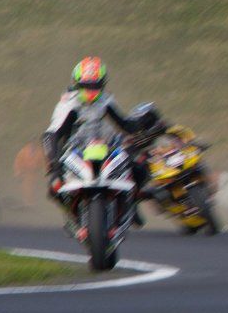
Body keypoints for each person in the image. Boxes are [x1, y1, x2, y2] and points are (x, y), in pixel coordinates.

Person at [42, 57, 164, 226]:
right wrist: (54, 163)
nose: (91, 90)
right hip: (74, 150)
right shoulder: (67, 104)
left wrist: (146, 122)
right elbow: (51, 135)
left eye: (95, 85)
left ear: (103, 83)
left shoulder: (105, 100)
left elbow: (125, 124)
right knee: (54, 187)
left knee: (139, 167)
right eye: (86, 86)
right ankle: (73, 216)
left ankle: (130, 203)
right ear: (76, 83)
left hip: (104, 145)